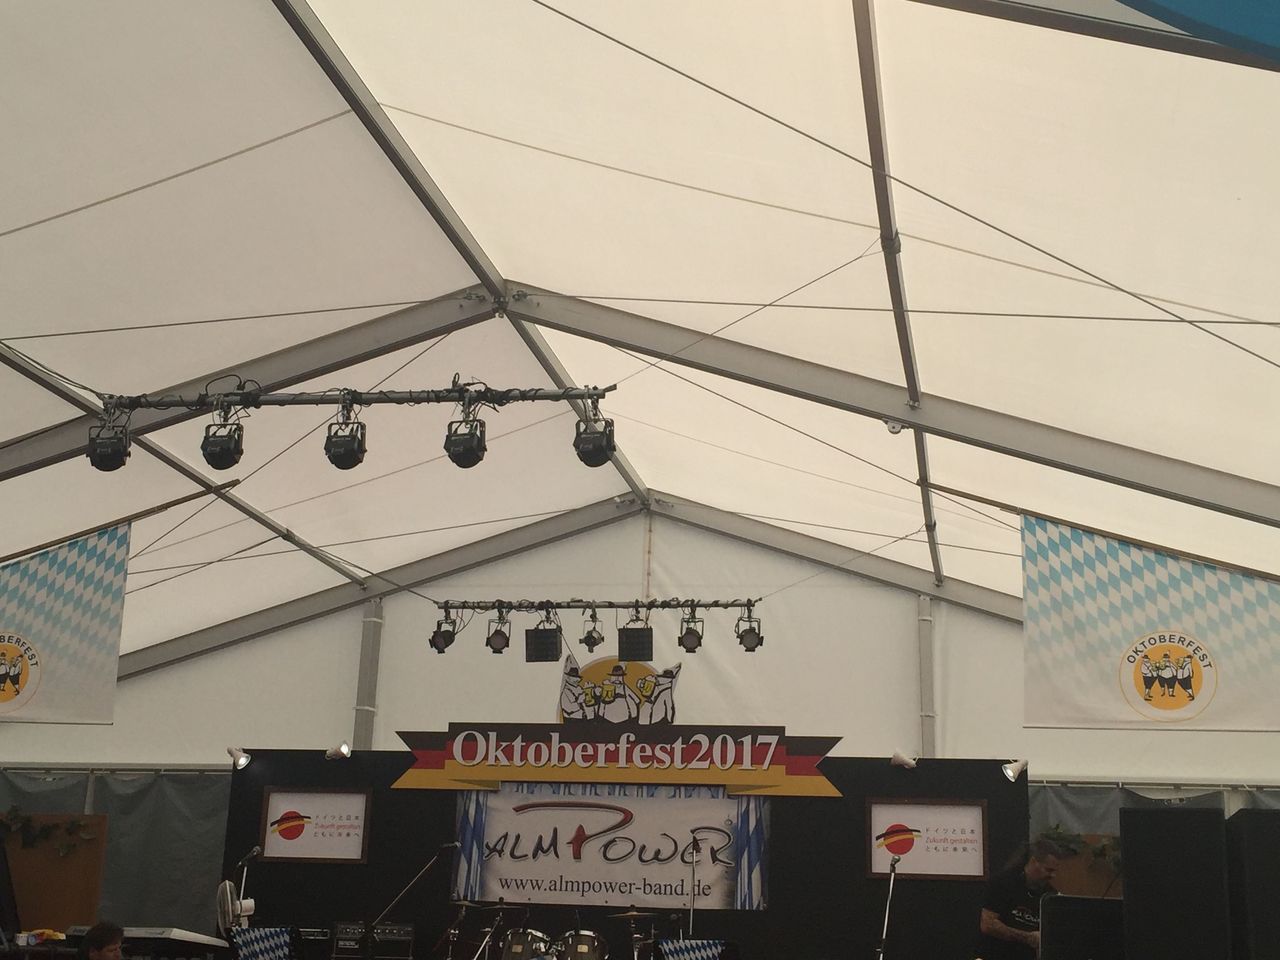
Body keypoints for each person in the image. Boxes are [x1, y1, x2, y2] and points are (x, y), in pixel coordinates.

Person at [973, 838, 1064, 960]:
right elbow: (988, 925)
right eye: (1048, 870)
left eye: (1055, 871)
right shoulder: (1002, 883)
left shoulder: (1049, 895)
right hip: (994, 954)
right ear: (1033, 861)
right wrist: (1028, 937)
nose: (1053, 875)